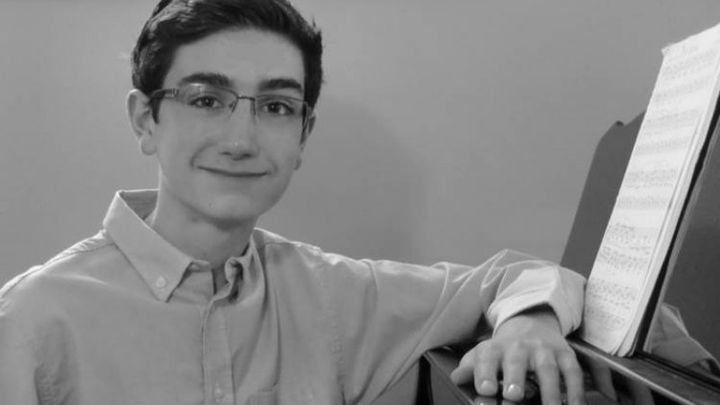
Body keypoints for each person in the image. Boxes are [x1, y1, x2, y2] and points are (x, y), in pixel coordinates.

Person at [0, 0, 587, 404]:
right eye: (206, 99)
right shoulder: (32, 320)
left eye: (276, 107)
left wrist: (529, 323)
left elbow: (519, 276)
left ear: (303, 136)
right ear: (145, 120)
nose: (240, 140)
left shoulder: (332, 295)